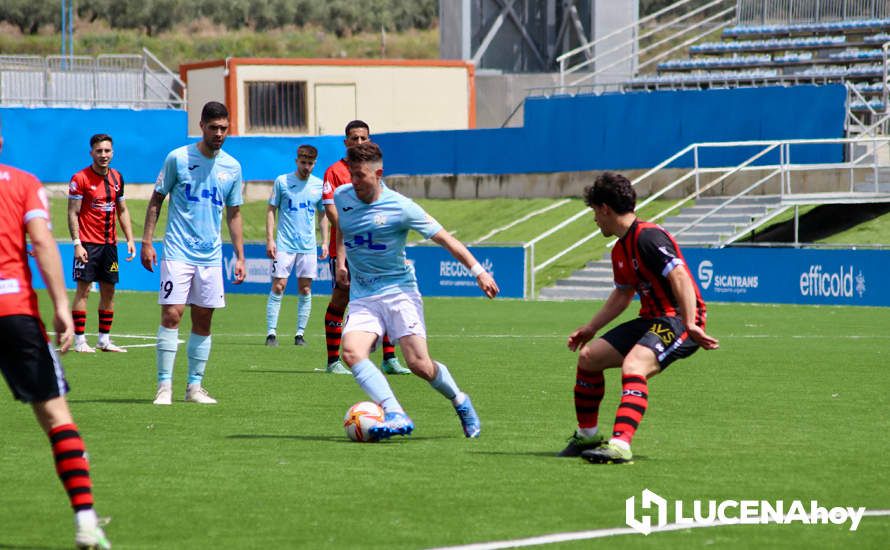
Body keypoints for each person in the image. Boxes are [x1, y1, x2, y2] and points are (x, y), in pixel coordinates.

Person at [335, 142, 499, 439]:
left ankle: (460, 401)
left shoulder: (402, 207)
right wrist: (341, 261)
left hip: (399, 292)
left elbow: (446, 239)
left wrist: (479, 271)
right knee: (350, 352)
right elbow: (344, 229)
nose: (354, 182)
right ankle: (395, 412)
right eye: (351, 175)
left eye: (360, 175)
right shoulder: (341, 197)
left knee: (419, 364)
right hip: (363, 296)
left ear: (378, 173)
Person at [0, 117, 111, 548]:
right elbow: (43, 243)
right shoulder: (25, 184)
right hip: (15, 313)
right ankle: (85, 520)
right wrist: (62, 306)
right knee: (56, 419)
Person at [559, 172, 719, 464]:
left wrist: (691, 322)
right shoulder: (621, 248)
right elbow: (622, 295)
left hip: (678, 320)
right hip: (652, 320)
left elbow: (680, 277)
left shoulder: (648, 236)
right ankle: (589, 435)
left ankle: (620, 445)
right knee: (588, 358)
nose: (595, 219)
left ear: (605, 209)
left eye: (595, 212)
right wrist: (591, 328)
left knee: (634, 365)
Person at [141, 101, 246, 406]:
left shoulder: (233, 167)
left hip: (210, 257)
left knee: (203, 321)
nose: (219, 134)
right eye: (213, 128)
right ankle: (164, 387)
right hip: (177, 251)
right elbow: (156, 199)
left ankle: (194, 387)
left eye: (224, 128)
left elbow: (235, 213)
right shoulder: (178, 158)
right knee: (172, 314)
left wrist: (239, 256)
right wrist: (147, 241)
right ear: (201, 127)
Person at [320, 120, 410, 375]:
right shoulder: (334, 171)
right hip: (347, 248)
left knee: (386, 296)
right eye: (354, 138)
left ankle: (389, 358)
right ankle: (333, 361)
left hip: (376, 248)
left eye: (364, 138)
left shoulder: (375, 170)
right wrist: (355, 227)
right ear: (346, 142)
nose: (359, 143)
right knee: (342, 298)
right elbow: (331, 210)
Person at [68, 133, 136, 353]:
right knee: (84, 290)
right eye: (99, 151)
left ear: (112, 152)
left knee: (109, 291)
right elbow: (72, 213)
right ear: (91, 153)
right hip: (87, 243)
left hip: (110, 246)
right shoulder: (80, 179)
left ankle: (104, 340)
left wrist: (130, 239)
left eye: (107, 151)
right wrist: (77, 243)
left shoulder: (117, 178)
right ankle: (79, 341)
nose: (103, 155)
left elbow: (122, 210)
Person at [264, 144, 326, 347]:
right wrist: (270, 239)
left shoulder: (318, 185)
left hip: (307, 246)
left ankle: (300, 334)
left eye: (310, 163)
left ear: (314, 163)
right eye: (303, 162)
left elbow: (323, 214)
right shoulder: (282, 181)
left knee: (306, 289)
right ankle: (271, 333)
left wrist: (324, 241)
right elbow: (271, 209)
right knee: (279, 285)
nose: (307, 167)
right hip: (284, 244)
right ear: (296, 161)